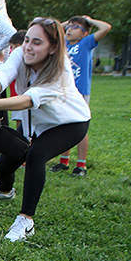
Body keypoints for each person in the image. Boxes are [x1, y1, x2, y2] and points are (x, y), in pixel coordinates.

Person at [0, 18, 91, 242]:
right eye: (27, 40)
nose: (28, 46)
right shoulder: (21, 54)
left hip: (70, 123)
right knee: (4, 166)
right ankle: (5, 191)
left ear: (53, 47)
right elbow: (3, 76)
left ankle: (26, 221)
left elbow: (29, 100)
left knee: (37, 155)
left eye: (37, 42)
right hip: (37, 125)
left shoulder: (60, 71)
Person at [49, 15, 112, 176]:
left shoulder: (86, 42)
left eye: (75, 27)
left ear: (84, 33)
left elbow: (106, 27)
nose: (69, 30)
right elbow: (51, 29)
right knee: (64, 126)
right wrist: (68, 22)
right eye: (68, 27)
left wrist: (89, 21)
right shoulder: (65, 44)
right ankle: (64, 161)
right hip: (64, 91)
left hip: (80, 92)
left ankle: (81, 165)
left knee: (80, 128)